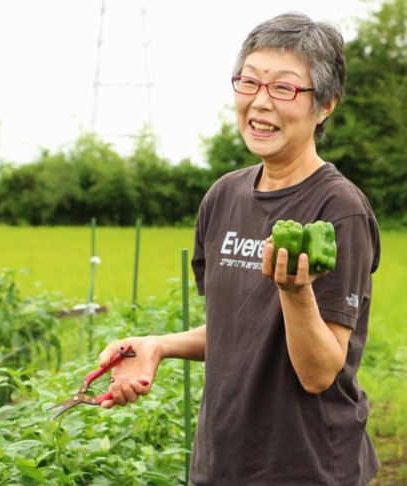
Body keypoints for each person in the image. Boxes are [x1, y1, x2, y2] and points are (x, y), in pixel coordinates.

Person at [98, 11, 381, 485]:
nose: (260, 103)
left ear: (325, 104)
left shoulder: (338, 208)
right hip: (223, 461)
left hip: (305, 467)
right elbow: (237, 332)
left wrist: (295, 292)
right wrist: (158, 346)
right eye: (248, 83)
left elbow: (319, 372)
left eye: (284, 88)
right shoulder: (223, 197)